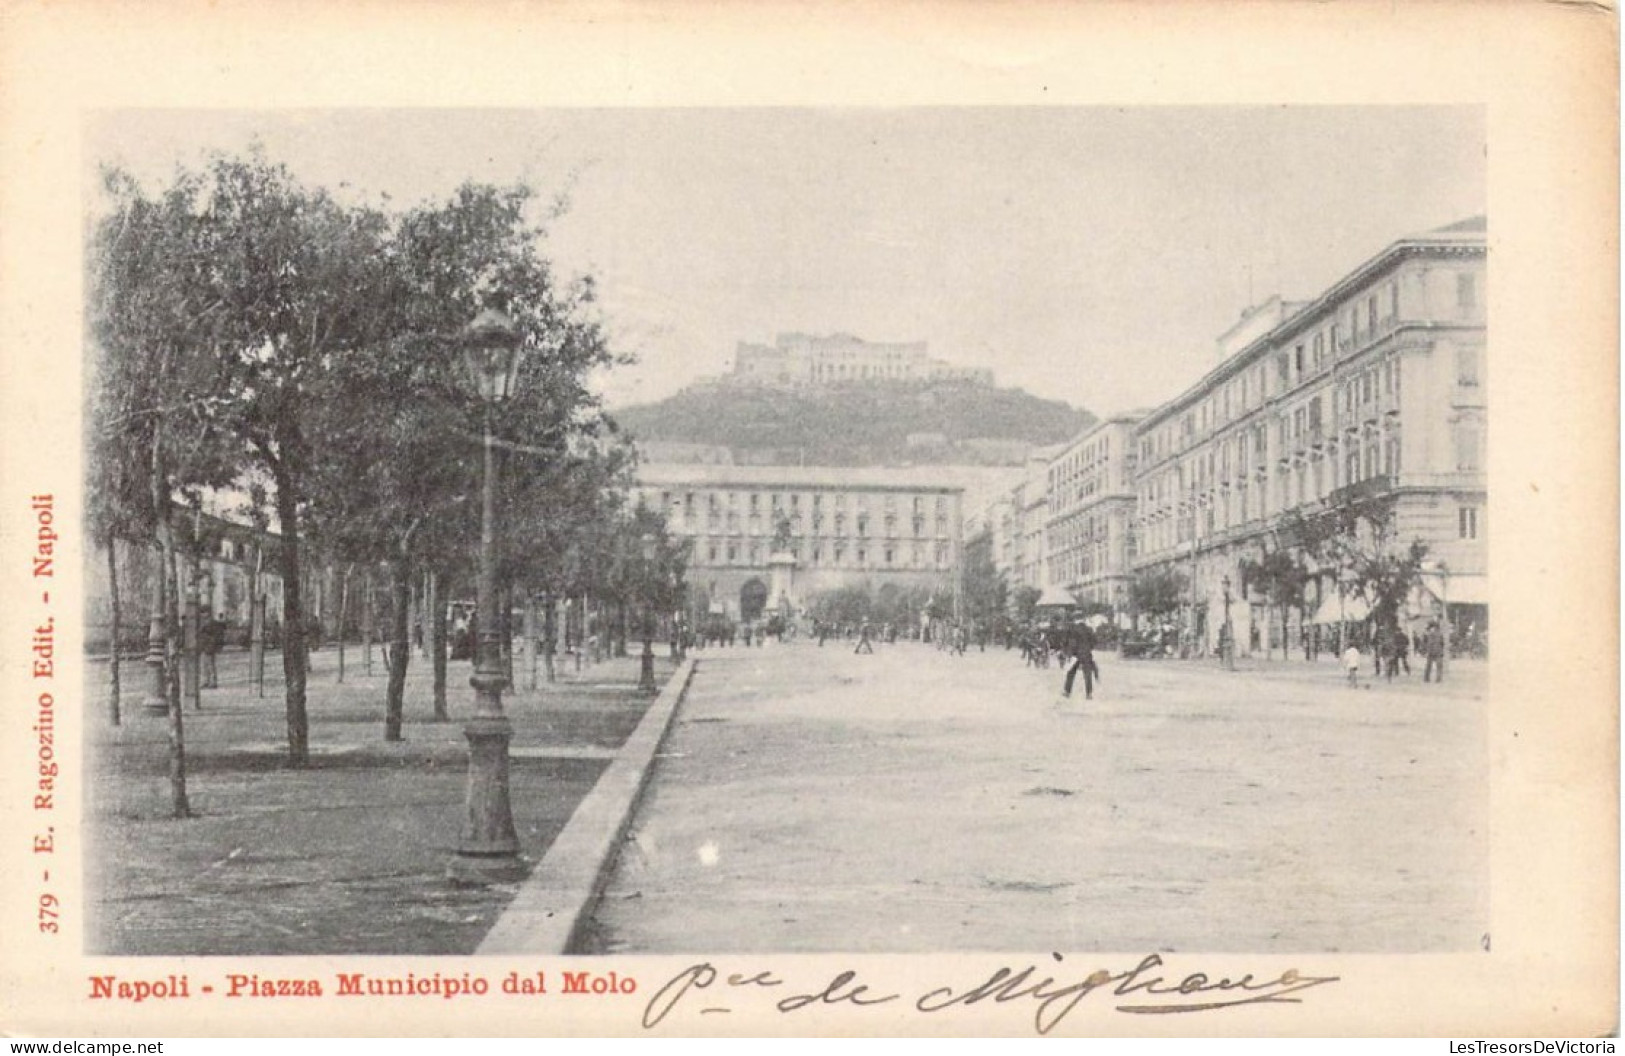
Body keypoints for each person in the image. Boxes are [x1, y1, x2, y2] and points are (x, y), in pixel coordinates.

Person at [1061, 618, 1098, 701]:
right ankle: (1089, 693)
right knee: (1087, 674)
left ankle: (1067, 691)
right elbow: (1095, 641)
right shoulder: (1088, 629)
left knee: (1070, 673)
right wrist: (1088, 648)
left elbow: (1067, 641)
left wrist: (1069, 651)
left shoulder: (1072, 629)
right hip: (1086, 654)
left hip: (1075, 654)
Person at [200, 613, 225, 688]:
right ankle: (207, 681)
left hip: (209, 646)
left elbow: (215, 635)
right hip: (206, 646)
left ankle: (212, 682)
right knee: (205, 665)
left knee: (210, 664)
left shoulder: (211, 624)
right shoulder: (206, 623)